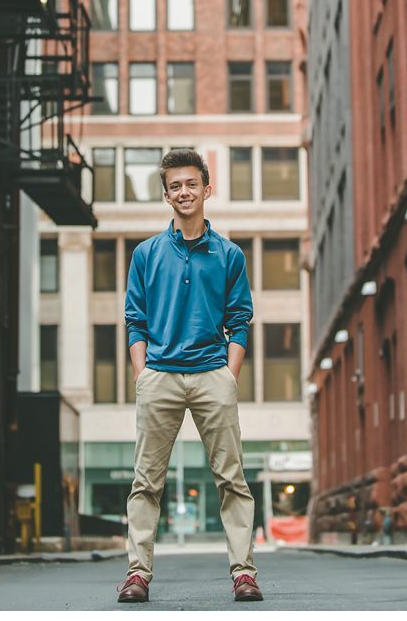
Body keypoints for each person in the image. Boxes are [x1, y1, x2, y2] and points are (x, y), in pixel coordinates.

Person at [117, 148, 263, 603]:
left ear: (206, 189)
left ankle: (244, 573)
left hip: (210, 376)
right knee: (146, 481)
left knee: (232, 479)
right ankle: (137, 574)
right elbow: (134, 320)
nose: (184, 191)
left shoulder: (229, 254)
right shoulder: (145, 254)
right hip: (159, 375)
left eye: (191, 184)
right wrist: (143, 374)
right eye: (175, 185)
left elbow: (240, 319)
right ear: (166, 195)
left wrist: (228, 374)